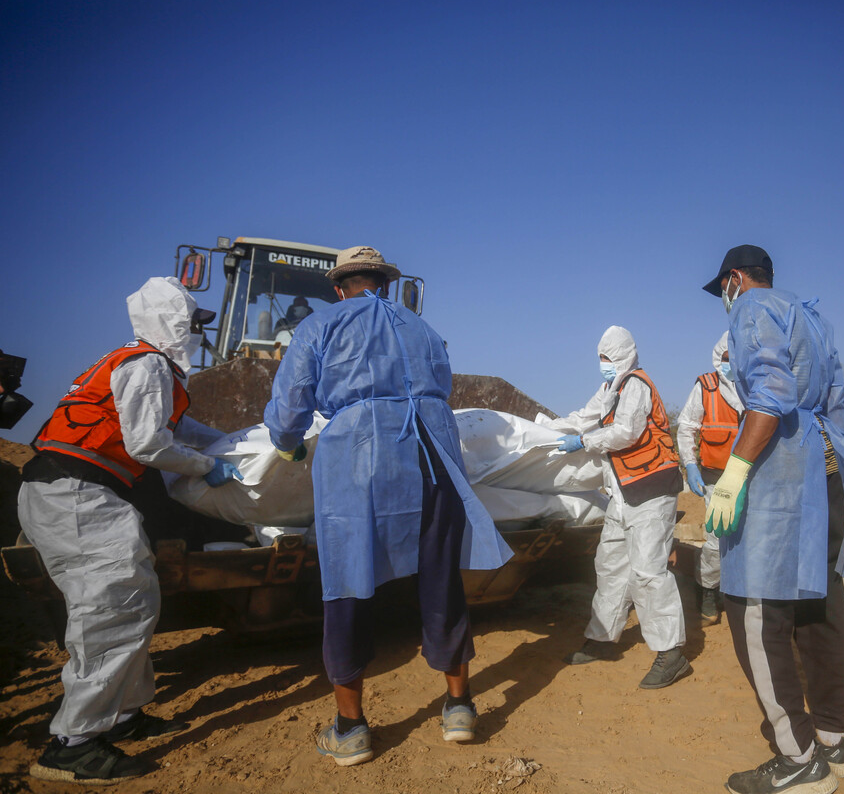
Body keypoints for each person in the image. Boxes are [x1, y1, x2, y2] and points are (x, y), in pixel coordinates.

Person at [263, 246, 513, 767]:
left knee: (348, 581)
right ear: (387, 283)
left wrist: (286, 440)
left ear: (339, 287)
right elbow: (441, 386)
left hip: (361, 457)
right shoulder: (423, 329)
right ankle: (460, 707)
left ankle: (351, 728)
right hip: (433, 450)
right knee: (442, 577)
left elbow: (290, 404)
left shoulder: (320, 326)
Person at [18, 277, 240, 785]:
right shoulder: (147, 366)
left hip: (72, 493)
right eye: (192, 322)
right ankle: (73, 746)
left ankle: (121, 714)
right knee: (113, 609)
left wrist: (237, 443)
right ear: (172, 322)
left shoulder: (135, 362)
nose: (197, 333)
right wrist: (207, 467)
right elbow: (148, 444)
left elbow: (179, 430)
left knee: (132, 598)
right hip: (77, 494)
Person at [701, 245, 844, 794]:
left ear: (736, 279)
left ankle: (799, 760)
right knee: (820, 599)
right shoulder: (813, 318)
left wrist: (736, 471)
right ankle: (837, 737)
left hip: (783, 476)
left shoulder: (753, 307)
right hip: (828, 469)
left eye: (722, 287)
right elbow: (836, 401)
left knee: (754, 606)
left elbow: (769, 395)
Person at [546, 325, 691, 690]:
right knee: (610, 563)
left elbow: (626, 431)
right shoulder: (611, 388)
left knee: (648, 571)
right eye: (600, 358)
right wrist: (546, 429)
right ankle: (602, 638)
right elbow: (585, 416)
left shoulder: (636, 386)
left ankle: (671, 653)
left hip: (652, 489)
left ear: (624, 356)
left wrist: (582, 442)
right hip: (624, 492)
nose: (604, 365)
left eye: (608, 358)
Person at [676, 331, 743, 627]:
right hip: (716, 477)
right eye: (725, 359)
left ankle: (742, 594)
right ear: (718, 357)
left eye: (735, 359)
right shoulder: (705, 387)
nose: (730, 364)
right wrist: (690, 465)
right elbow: (687, 427)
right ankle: (706, 591)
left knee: (749, 537)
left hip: (751, 476)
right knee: (717, 538)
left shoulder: (755, 385)